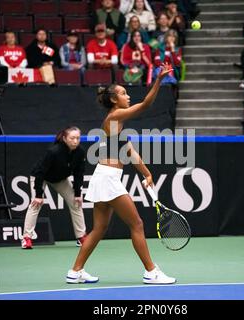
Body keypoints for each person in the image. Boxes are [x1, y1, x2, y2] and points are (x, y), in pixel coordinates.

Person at [66, 63, 177, 285]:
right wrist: (158, 80)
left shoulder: (117, 126)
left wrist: (146, 174)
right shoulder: (114, 117)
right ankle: (151, 271)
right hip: (107, 177)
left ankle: (75, 271)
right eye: (124, 94)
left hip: (104, 175)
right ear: (115, 100)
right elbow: (146, 104)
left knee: (99, 229)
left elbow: (130, 152)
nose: (128, 96)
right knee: (136, 224)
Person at [22, 127, 88, 249]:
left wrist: (78, 194)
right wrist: (38, 195)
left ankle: (81, 236)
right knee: (35, 204)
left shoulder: (80, 152)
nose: (75, 141)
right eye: (72, 138)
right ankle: (27, 238)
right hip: (40, 177)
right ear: (64, 139)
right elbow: (40, 172)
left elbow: (79, 173)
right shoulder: (54, 152)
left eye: (78, 138)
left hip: (60, 179)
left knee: (76, 202)